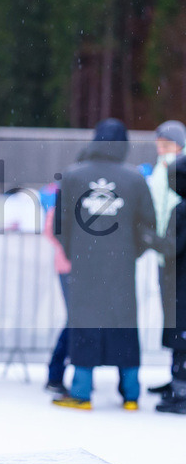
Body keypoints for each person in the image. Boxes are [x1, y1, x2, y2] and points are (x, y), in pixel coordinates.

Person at [53, 118, 157, 410]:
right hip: (121, 265)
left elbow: (60, 224)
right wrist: (131, 252)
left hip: (84, 264)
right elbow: (148, 224)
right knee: (124, 323)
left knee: (85, 322)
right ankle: (131, 394)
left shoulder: (73, 176)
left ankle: (82, 392)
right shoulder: (135, 179)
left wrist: (74, 251)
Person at [148, 120, 186, 398]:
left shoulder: (178, 169)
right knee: (173, 316)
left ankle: (180, 380)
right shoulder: (160, 169)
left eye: (166, 144)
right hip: (168, 252)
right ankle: (175, 374)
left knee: (180, 317)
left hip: (176, 249)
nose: (161, 150)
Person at [157, 155, 186, 414]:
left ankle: (181, 392)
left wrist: (149, 238)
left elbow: (172, 247)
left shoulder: (181, 210)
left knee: (181, 339)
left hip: (181, 286)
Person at [42, 194, 73, 395]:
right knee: (75, 321)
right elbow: (51, 232)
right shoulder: (62, 205)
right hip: (68, 268)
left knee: (78, 321)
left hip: (79, 268)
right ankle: (56, 373)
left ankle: (78, 372)